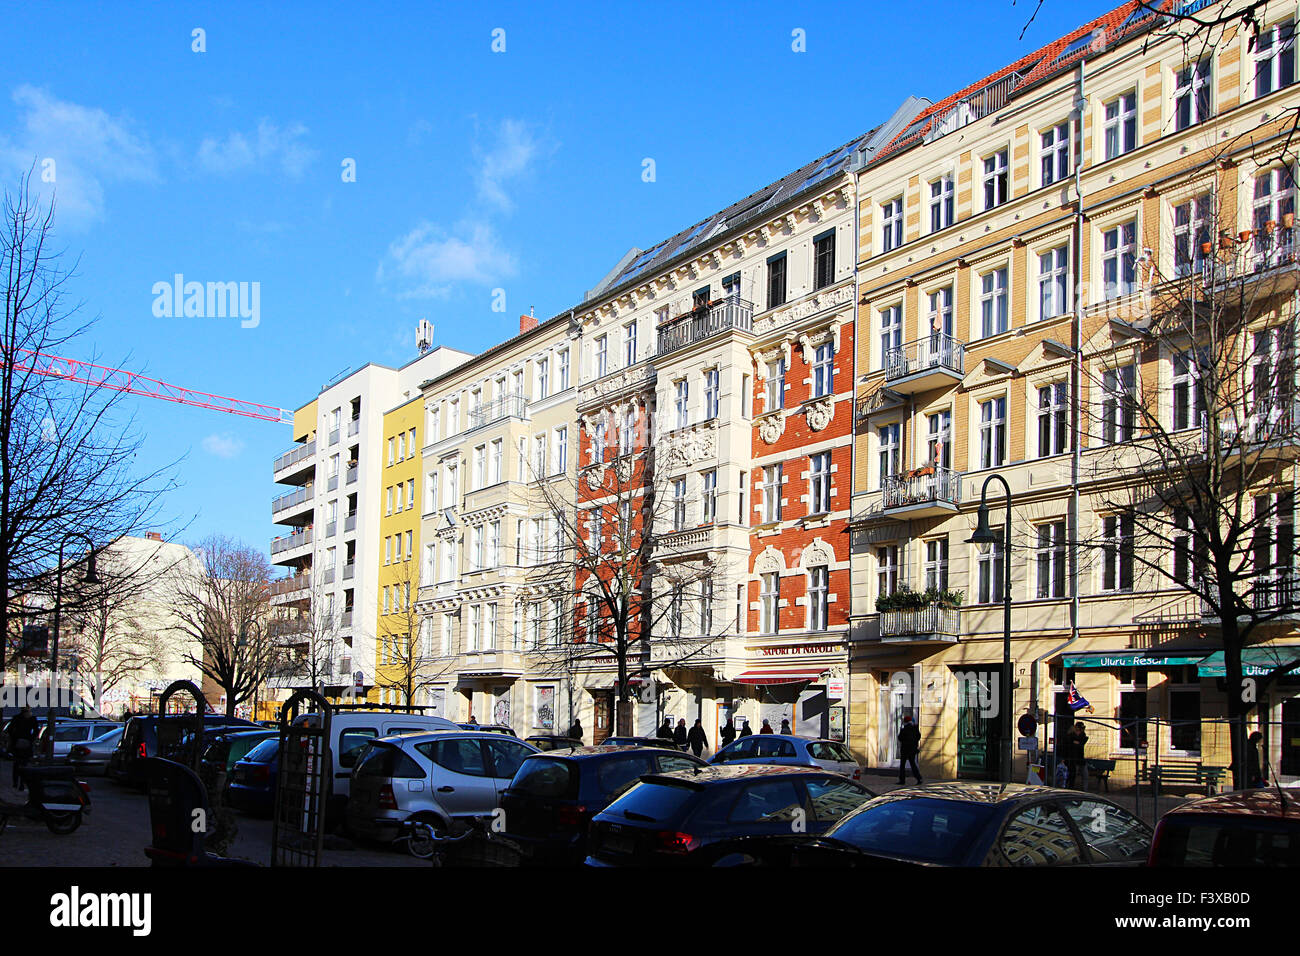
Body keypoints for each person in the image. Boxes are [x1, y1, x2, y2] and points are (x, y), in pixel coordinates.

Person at [9, 706, 39, 789]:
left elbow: (10, 730)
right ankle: (21, 783)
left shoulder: (16, 718)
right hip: (26, 743)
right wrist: (30, 739)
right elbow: (36, 731)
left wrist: (14, 739)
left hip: (18, 743)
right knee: (24, 764)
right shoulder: (32, 719)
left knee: (16, 764)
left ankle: (16, 783)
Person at [897, 714, 922, 785]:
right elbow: (918, 736)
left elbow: (900, 738)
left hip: (905, 749)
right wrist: (914, 743)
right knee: (913, 764)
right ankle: (919, 778)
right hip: (912, 749)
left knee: (902, 765)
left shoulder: (904, 729)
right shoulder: (915, 728)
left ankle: (902, 780)